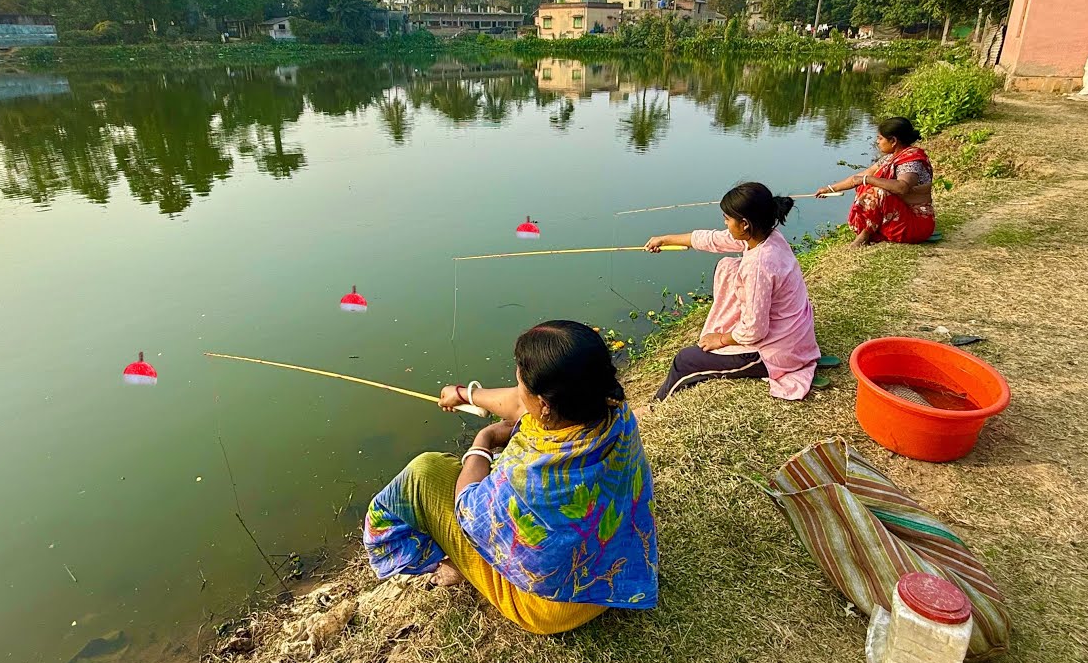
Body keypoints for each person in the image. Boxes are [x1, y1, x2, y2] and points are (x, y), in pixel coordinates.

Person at [362, 320, 658, 634]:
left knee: (425, 473)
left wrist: (484, 441)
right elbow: (519, 405)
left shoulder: (528, 474)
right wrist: (464, 394)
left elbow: (467, 509)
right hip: (616, 575)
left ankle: (453, 565)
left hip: (547, 607)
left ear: (543, 404)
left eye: (521, 383)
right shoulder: (612, 410)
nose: (517, 389)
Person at [643, 182, 820, 401]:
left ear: (744, 224)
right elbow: (713, 239)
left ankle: (657, 403)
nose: (725, 223)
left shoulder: (758, 266)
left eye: (727, 219)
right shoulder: (767, 236)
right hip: (794, 334)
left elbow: (755, 331)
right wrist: (665, 239)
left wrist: (722, 339)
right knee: (728, 266)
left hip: (773, 352)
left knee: (685, 360)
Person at [817, 117, 935, 246]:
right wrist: (829, 189)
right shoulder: (890, 158)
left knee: (878, 191)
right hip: (899, 217)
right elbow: (857, 178)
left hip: (915, 224)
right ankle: (869, 231)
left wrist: (868, 180)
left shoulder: (911, 162)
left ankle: (864, 236)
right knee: (867, 186)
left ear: (893, 141)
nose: (877, 142)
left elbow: (902, 187)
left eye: (880, 138)